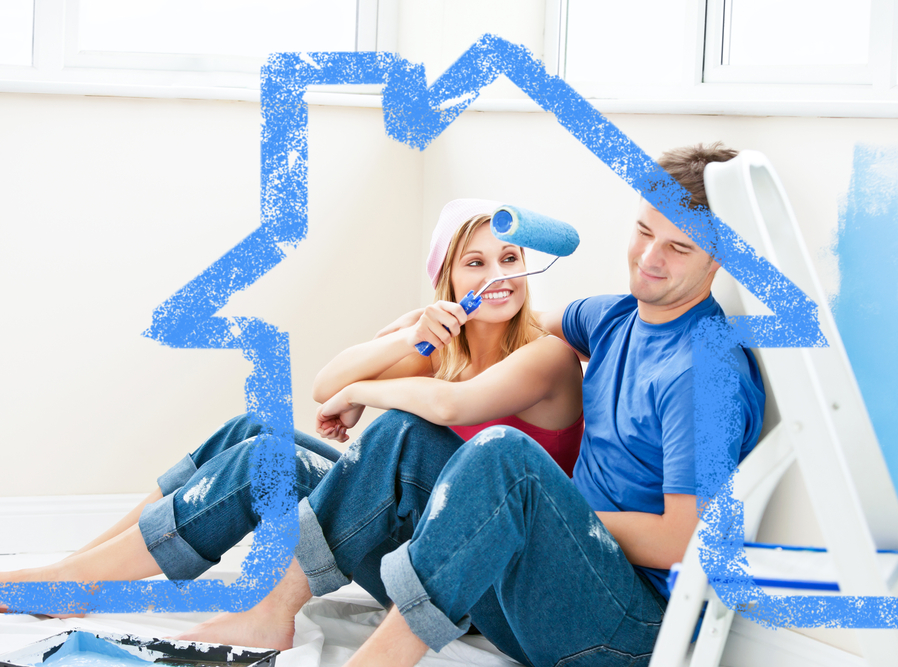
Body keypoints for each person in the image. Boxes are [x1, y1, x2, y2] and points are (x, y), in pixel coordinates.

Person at [156, 142, 768, 667]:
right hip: (538, 593)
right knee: (403, 433)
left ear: (723, 257)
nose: (649, 258)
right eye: (643, 231)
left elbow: (680, 540)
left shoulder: (705, 372)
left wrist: (550, 517)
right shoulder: (613, 317)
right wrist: (419, 324)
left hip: (623, 631)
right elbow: (522, 317)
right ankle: (274, 612)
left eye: (679, 248)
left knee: (506, 457)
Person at [0, 198, 585, 621]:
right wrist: (410, 334)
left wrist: (357, 396)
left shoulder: (543, 354)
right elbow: (325, 381)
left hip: (471, 567)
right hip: (413, 532)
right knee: (252, 428)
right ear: (449, 280)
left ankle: (77, 580)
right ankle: (82, 568)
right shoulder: (439, 352)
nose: (498, 276)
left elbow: (431, 403)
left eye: (509, 258)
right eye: (475, 263)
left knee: (271, 458)